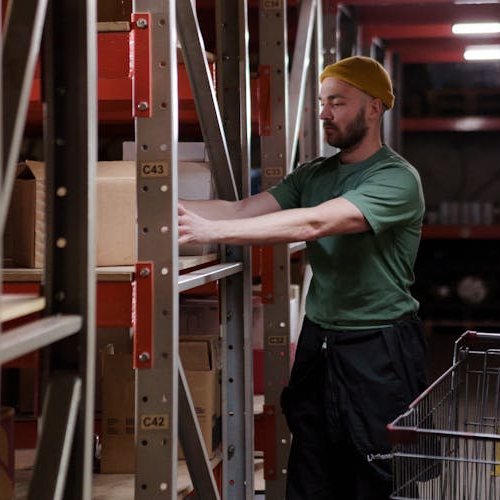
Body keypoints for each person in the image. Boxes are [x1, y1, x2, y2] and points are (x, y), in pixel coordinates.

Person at [177, 55, 427, 500]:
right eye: (322, 102)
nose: (325, 113)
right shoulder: (316, 174)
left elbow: (314, 223)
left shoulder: (396, 179)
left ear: (374, 108)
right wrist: (153, 210)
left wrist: (211, 233)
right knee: (311, 468)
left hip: (378, 347)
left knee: (376, 475)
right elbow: (240, 209)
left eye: (338, 102)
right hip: (320, 342)